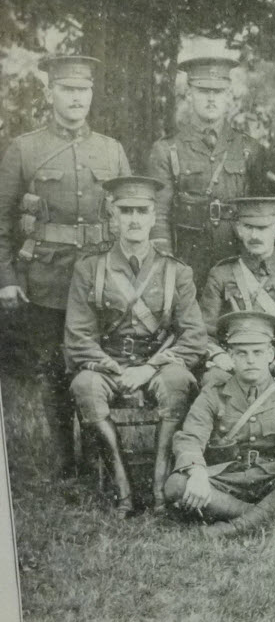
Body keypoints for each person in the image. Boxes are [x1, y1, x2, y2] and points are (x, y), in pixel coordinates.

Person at [0, 55, 134, 470]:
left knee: (96, 364)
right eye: (67, 89)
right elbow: (2, 217)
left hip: (99, 279)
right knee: (52, 369)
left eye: (83, 90)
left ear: (92, 94)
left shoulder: (111, 151)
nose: (76, 98)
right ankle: (64, 463)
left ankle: (99, 457)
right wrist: (6, 276)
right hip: (47, 277)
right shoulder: (24, 148)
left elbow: (129, 213)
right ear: (50, 93)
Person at [63, 176, 204, 514]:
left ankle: (159, 488)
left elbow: (195, 336)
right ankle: (122, 487)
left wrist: (149, 369)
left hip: (155, 363)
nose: (135, 219)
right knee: (85, 386)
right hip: (107, 364)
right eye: (126, 211)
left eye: (142, 211)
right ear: (113, 217)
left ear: (155, 216)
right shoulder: (91, 269)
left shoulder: (175, 272)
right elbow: (77, 337)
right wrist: (110, 367)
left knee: (178, 382)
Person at [165, 310, 275, 537]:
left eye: (257, 352)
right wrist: (197, 472)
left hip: (272, 478)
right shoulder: (214, 394)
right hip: (229, 480)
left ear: (271, 353)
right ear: (230, 356)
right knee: (176, 484)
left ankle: (234, 528)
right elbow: (190, 437)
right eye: (242, 353)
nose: (250, 360)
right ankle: (273, 518)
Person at [146, 56, 267, 286]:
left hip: (237, 264)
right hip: (187, 265)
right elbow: (159, 217)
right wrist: (168, 270)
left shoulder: (250, 150)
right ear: (189, 94)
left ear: (228, 95)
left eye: (218, 91)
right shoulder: (167, 150)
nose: (211, 98)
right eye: (203, 90)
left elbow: (261, 215)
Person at [199, 197, 275, 403]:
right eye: (249, 227)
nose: (255, 235)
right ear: (238, 229)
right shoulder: (221, 274)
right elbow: (203, 332)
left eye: (263, 228)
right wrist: (219, 356)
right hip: (239, 358)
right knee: (214, 378)